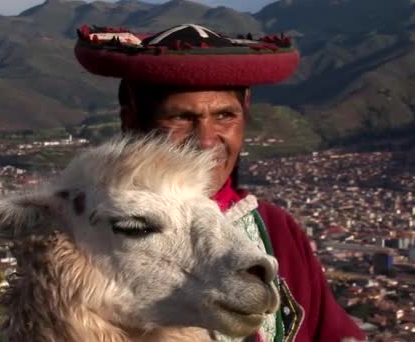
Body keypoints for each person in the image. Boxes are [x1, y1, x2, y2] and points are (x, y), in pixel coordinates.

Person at [75, 23, 366, 342]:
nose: (206, 141)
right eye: (181, 118)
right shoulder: (92, 232)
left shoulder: (275, 229)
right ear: (131, 122)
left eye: (225, 116)